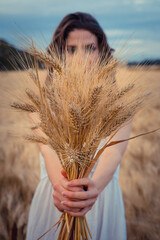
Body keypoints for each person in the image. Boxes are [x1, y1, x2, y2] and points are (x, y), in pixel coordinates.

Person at [26, 12, 132, 240]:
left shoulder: (120, 106)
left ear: (101, 51)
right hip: (55, 202)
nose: (81, 57)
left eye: (90, 48)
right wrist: (64, 191)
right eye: (71, 49)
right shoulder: (40, 106)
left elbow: (113, 153)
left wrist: (93, 188)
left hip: (101, 199)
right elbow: (48, 151)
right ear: (59, 54)